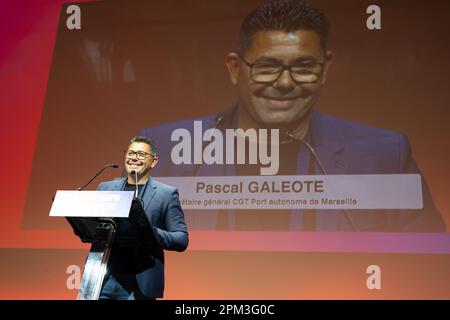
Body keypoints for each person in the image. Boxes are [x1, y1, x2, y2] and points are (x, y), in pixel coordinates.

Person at [138, 0, 445, 232]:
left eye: (303, 67)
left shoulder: (385, 157)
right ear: (235, 69)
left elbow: (425, 266)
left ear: (325, 70)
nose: (285, 83)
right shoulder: (163, 152)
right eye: (267, 67)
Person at [97, 136, 188, 299]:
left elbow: (181, 239)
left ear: (153, 161)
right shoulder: (105, 188)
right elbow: (92, 227)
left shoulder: (166, 194)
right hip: (103, 279)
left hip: (140, 284)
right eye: (130, 153)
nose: (134, 158)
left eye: (141, 154)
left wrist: (149, 232)